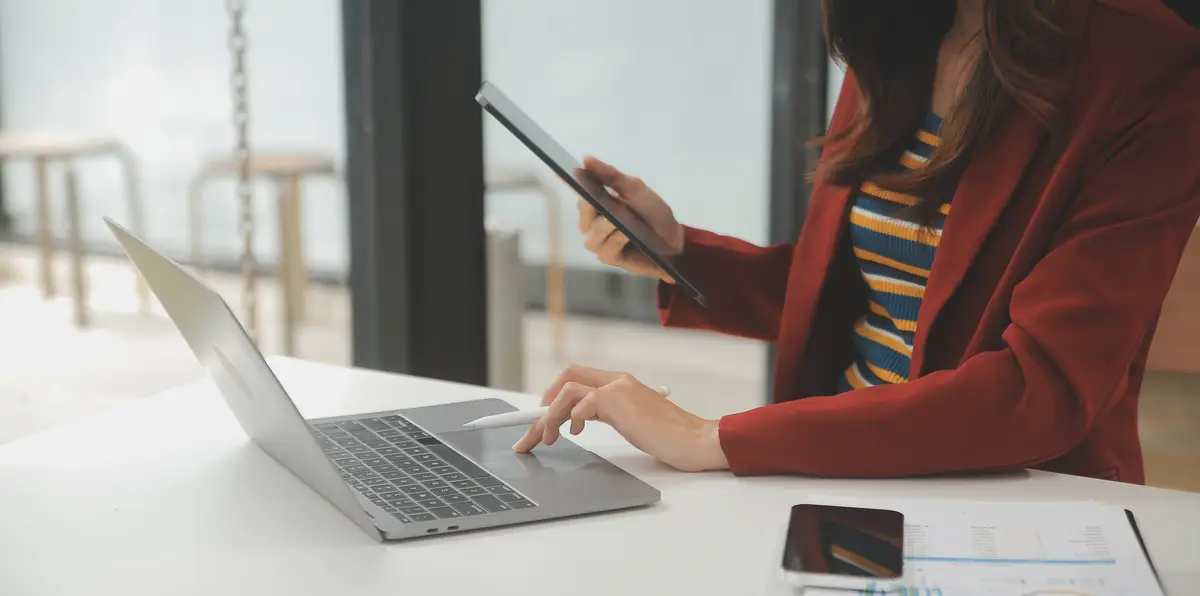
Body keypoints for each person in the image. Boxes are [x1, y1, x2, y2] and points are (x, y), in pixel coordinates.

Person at [513, 0, 1200, 484]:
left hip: (1013, 503)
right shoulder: (896, 26)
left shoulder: (1146, 64)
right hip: (841, 477)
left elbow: (1039, 390)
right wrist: (679, 253)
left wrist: (708, 436)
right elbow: (863, 291)